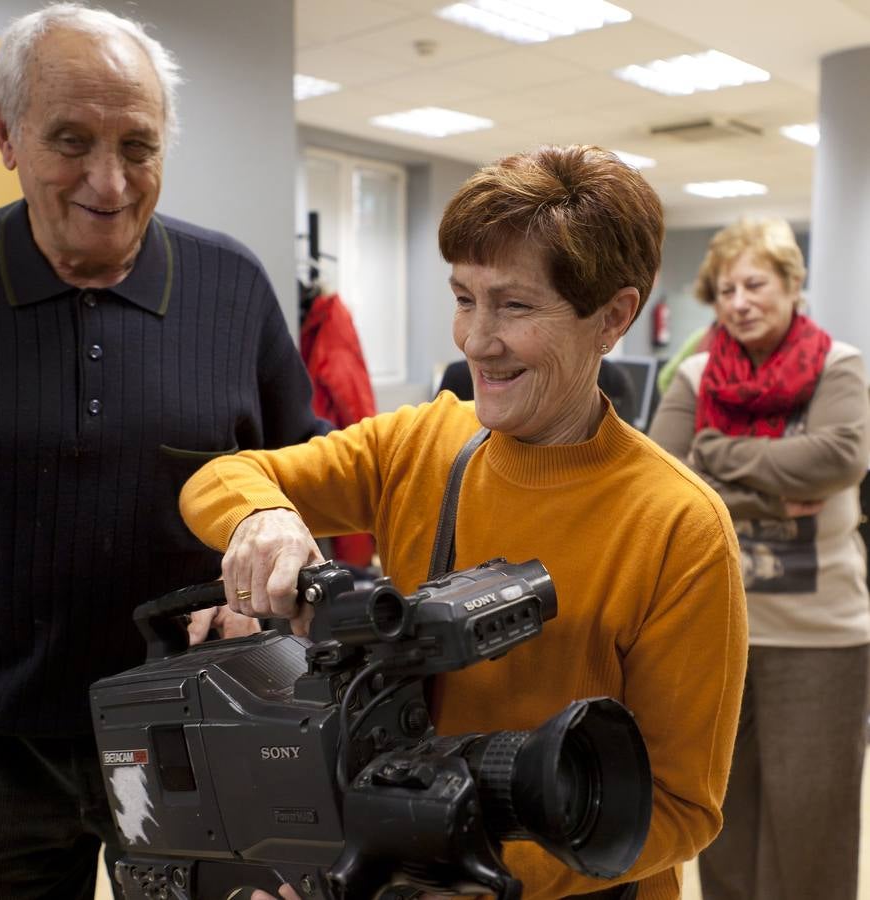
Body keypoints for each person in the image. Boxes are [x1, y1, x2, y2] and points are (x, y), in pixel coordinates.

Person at [0, 4, 323, 897]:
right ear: (3, 134)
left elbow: (300, 477)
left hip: (195, 734)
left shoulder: (231, 284)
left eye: (140, 146)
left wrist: (266, 584)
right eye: (71, 141)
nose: (110, 183)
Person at [181, 144, 749, 899]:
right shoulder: (418, 443)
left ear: (612, 316)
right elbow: (219, 478)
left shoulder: (680, 527)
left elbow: (680, 808)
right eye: (462, 296)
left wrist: (461, 878)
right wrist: (264, 517)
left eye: (514, 305)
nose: (476, 339)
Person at [649, 217, 870, 900]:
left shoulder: (838, 366)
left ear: (790, 285)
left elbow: (837, 457)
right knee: (721, 827)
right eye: (724, 289)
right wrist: (774, 497)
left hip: (819, 637)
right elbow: (660, 480)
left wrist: (716, 454)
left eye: (754, 284)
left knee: (810, 830)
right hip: (716, 631)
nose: (738, 301)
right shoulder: (691, 373)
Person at [437, 356, 639, 425]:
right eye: (464, 301)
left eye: (517, 306)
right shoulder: (459, 377)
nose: (474, 344)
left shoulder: (612, 381)